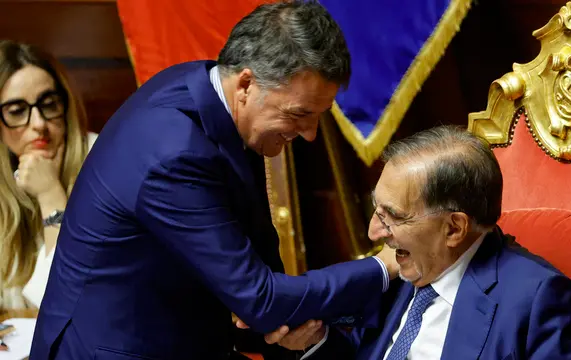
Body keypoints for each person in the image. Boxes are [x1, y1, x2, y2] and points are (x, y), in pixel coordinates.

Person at [30, 2, 398, 360]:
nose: (310, 135)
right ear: (246, 84)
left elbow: (258, 272)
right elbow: (260, 297)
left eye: (318, 116)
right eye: (300, 114)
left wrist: (273, 317)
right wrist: (384, 267)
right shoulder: (173, 153)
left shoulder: (214, 99)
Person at [260, 126, 571, 359]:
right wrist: (318, 341)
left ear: (453, 228)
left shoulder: (537, 301)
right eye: (375, 208)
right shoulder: (402, 276)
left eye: (392, 215)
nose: (373, 233)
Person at [0, 40, 97, 310]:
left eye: (49, 104)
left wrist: (50, 195)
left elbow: (69, 299)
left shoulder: (102, 162)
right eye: (17, 111)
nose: (39, 124)